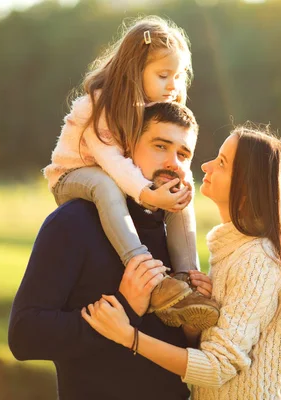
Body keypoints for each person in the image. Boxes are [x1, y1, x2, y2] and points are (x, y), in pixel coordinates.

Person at [82, 127, 281, 400]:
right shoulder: (232, 251)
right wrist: (195, 323)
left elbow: (217, 367)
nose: (206, 166)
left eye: (222, 163)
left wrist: (128, 337)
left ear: (247, 187)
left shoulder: (257, 260)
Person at [9, 102, 217, 399]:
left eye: (183, 154)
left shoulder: (176, 236)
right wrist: (125, 305)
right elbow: (24, 336)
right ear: (127, 150)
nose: (174, 162)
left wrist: (192, 327)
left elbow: (189, 357)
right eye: (160, 146)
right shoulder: (74, 222)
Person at [42, 15, 218, 326]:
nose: (173, 86)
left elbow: (174, 156)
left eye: (178, 77)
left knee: (177, 193)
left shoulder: (153, 109)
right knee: (104, 185)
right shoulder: (98, 107)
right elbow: (113, 164)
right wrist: (149, 196)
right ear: (135, 72)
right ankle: (143, 266)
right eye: (164, 75)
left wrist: (181, 188)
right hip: (74, 174)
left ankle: (186, 282)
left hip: (119, 178)